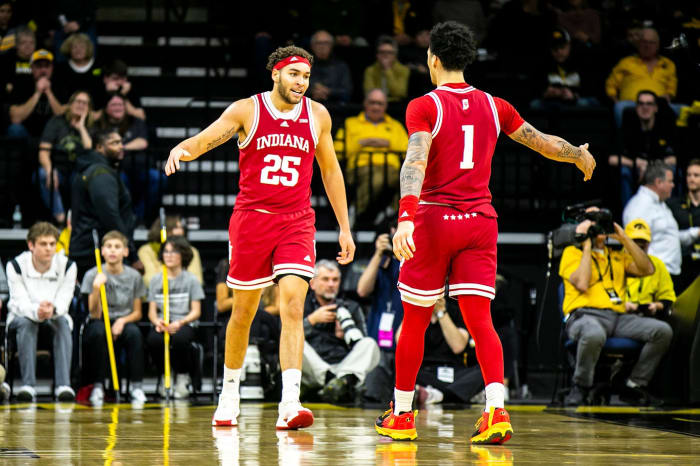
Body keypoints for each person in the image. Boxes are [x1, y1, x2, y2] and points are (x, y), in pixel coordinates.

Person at [374, 21, 595, 445]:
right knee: (481, 321)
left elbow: (415, 162)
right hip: (479, 223)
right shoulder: (496, 105)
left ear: (433, 59)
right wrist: (577, 155)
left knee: (416, 321)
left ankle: (402, 415)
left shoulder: (424, 106)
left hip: (434, 221)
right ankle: (496, 410)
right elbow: (543, 142)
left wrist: (405, 216)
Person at [163, 45, 355, 430]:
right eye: (294, 74)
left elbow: (331, 172)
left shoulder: (318, 115)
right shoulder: (246, 109)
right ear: (276, 74)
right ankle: (229, 394)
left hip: (296, 221)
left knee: (293, 306)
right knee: (244, 312)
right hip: (252, 221)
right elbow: (206, 139)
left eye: (305, 76)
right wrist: (182, 149)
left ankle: (290, 402)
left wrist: (344, 226)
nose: (301, 82)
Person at [559, 210, 671, 406]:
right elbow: (583, 283)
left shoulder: (617, 255)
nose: (598, 226)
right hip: (585, 315)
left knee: (662, 331)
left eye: (600, 221)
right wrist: (587, 245)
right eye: (592, 221)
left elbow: (648, 269)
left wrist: (623, 237)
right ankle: (581, 386)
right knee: (593, 334)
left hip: (618, 317)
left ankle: (633, 384)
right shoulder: (571, 253)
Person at [5, 222, 77, 402]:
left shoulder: (68, 265)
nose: (49, 249)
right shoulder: (15, 265)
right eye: (43, 244)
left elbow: (64, 299)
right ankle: (28, 385)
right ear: (31, 245)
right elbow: (18, 301)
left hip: (54, 316)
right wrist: (36, 311)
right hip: (21, 319)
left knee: (62, 322)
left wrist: (52, 309)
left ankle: (63, 386)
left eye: (52, 244)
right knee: (27, 322)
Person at [80, 230, 147, 406]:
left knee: (135, 334)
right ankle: (98, 386)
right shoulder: (92, 274)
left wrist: (122, 321)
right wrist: (96, 288)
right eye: (108, 246)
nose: (112, 251)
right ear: (102, 251)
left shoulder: (134, 276)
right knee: (98, 332)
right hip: (100, 321)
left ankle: (136, 386)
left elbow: (138, 312)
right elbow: (94, 313)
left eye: (117, 247)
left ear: (125, 252)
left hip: (125, 320)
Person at [302, 260, 379, 403]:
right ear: (312, 283)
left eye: (335, 280)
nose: (331, 284)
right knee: (294, 343)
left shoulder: (351, 307)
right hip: (314, 369)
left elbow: (362, 343)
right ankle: (332, 381)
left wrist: (344, 337)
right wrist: (311, 320)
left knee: (370, 344)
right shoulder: (301, 305)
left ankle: (340, 382)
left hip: (344, 365)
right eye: (325, 279)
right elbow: (284, 336)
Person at [334, 88, 408, 226]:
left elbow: (407, 150)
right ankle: (364, 211)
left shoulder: (395, 126)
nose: (376, 107)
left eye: (380, 103)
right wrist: (362, 144)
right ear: (365, 104)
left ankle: (377, 210)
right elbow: (338, 150)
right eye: (372, 102)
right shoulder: (350, 123)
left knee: (408, 180)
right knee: (378, 177)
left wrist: (388, 143)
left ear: (385, 106)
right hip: (360, 168)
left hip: (391, 169)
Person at [69, 130, 137, 280]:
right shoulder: (100, 173)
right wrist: (131, 253)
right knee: (99, 303)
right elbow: (110, 215)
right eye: (114, 143)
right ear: (99, 147)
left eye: (121, 142)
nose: (121, 146)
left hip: (92, 248)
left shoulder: (94, 169)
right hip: (95, 252)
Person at [146, 236, 204, 399]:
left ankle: (182, 376)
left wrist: (180, 322)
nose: (169, 255)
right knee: (154, 340)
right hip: (162, 323)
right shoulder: (156, 280)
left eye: (174, 252)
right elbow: (151, 311)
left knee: (180, 339)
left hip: (184, 323)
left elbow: (196, 311)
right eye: (166, 251)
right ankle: (165, 375)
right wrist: (157, 322)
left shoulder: (192, 280)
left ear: (183, 255)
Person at [96, 93, 161, 222]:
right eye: (114, 104)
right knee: (119, 180)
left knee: (158, 178)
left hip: (139, 167)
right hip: (114, 169)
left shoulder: (136, 122)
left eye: (120, 104)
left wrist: (122, 147)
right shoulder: (101, 125)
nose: (118, 107)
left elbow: (143, 142)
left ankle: (138, 216)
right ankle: (125, 217)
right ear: (106, 108)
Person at [609, 91, 677, 206]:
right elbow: (612, 159)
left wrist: (650, 167)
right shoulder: (628, 127)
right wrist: (637, 163)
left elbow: (674, 159)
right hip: (635, 172)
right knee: (623, 171)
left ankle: (669, 208)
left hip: (657, 169)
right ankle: (628, 210)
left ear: (655, 108)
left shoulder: (664, 127)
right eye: (641, 104)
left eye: (649, 104)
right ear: (636, 108)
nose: (645, 107)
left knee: (671, 170)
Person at [37, 89, 94, 224]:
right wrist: (50, 171)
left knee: (89, 179)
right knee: (43, 174)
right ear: (70, 104)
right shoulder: (56, 122)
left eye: (85, 103)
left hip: (80, 171)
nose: (81, 105)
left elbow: (89, 149)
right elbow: (43, 151)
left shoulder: (91, 126)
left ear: (89, 108)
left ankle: (79, 220)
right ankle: (60, 217)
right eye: (78, 101)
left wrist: (81, 127)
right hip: (59, 169)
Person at [623, 161, 682, 287]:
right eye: (670, 181)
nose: (673, 185)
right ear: (658, 182)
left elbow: (670, 237)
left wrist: (694, 233)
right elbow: (635, 246)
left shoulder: (660, 204)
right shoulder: (640, 206)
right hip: (653, 277)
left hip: (666, 274)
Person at [606, 27, 678, 127]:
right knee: (619, 107)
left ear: (657, 45)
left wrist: (668, 96)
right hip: (631, 103)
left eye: (651, 42)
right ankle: (622, 141)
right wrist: (615, 100)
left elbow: (671, 88)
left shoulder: (668, 64)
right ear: (638, 44)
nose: (647, 45)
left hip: (659, 104)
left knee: (683, 110)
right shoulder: (626, 62)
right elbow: (611, 84)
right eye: (644, 42)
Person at [530, 28, 599, 110]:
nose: (559, 51)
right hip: (552, 103)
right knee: (534, 104)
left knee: (590, 102)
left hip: (576, 101)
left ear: (569, 46)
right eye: (555, 49)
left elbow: (591, 88)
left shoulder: (581, 61)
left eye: (562, 47)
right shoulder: (544, 65)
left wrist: (574, 95)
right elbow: (535, 88)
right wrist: (546, 93)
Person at [623, 219, 676, 319]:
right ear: (625, 242)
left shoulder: (657, 264)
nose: (639, 245)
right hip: (618, 313)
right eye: (634, 241)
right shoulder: (615, 261)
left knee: (665, 330)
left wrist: (656, 306)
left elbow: (668, 298)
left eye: (643, 241)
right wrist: (621, 305)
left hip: (645, 316)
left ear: (649, 243)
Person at [7, 49, 64, 140]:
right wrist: (37, 93)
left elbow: (64, 117)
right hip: (27, 134)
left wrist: (49, 93)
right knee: (15, 129)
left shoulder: (60, 85)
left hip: (52, 135)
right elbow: (16, 119)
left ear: (52, 68)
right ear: (32, 68)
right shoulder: (21, 84)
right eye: (39, 66)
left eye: (47, 66)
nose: (43, 70)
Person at [138, 215, 203, 287]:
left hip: (184, 296)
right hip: (157, 296)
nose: (181, 231)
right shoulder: (146, 250)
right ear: (164, 230)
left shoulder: (191, 251)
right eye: (176, 227)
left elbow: (197, 282)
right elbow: (149, 280)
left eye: (181, 227)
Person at [667, 159, 700, 292]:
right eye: (688, 175)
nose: (691, 179)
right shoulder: (674, 204)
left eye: (696, 175)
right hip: (683, 262)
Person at [307, 30, 352, 105]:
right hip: (307, 108)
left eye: (326, 43)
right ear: (312, 46)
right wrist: (312, 92)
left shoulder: (341, 66)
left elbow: (347, 91)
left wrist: (329, 91)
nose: (322, 46)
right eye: (319, 43)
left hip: (336, 109)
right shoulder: (302, 66)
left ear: (331, 45)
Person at [54, 33, 101, 99]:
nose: (78, 50)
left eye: (82, 47)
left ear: (88, 48)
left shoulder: (99, 66)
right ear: (69, 49)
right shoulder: (61, 68)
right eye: (74, 47)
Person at [363, 36, 410, 103]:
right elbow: (369, 92)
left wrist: (387, 70)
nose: (385, 55)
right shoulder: (370, 70)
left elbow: (400, 93)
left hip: (395, 104)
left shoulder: (403, 70)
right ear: (377, 55)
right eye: (382, 52)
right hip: (376, 103)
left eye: (389, 52)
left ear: (395, 55)